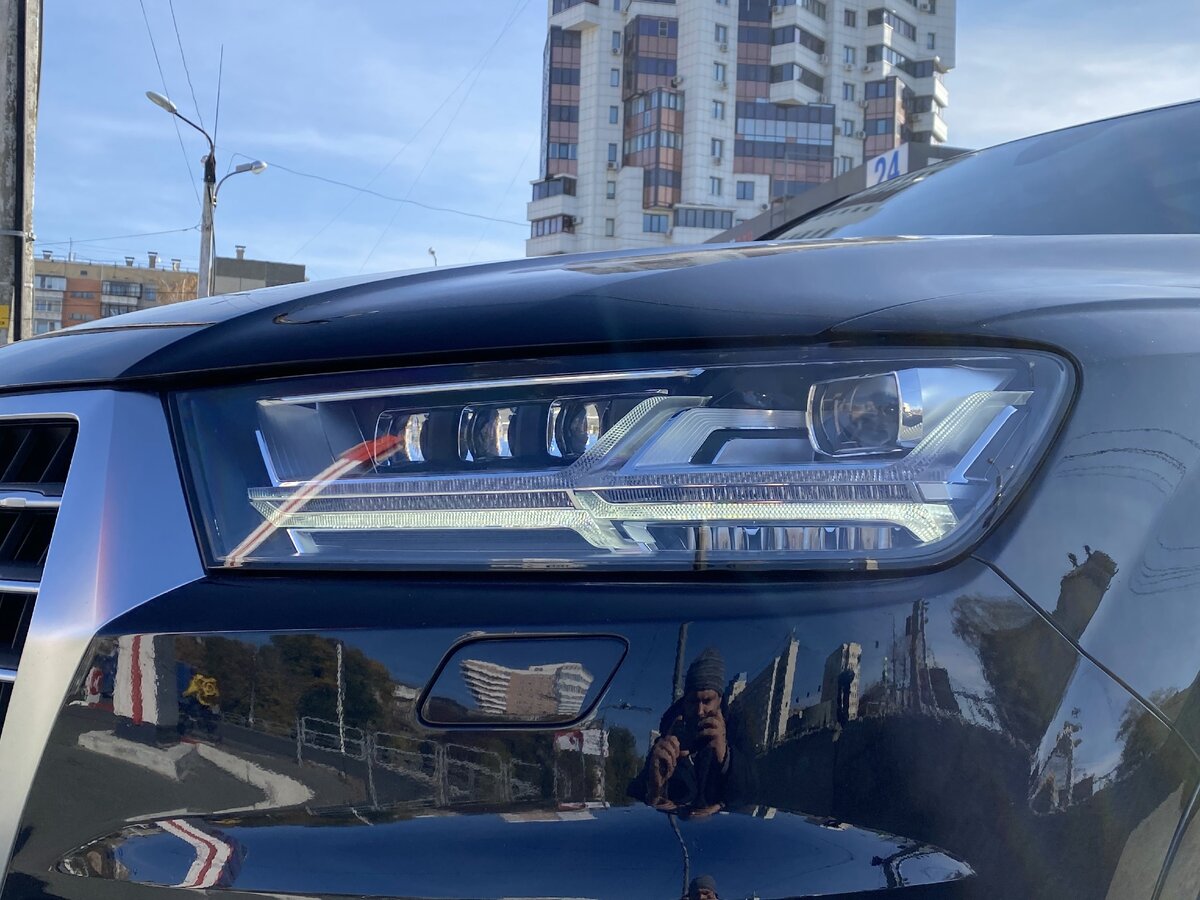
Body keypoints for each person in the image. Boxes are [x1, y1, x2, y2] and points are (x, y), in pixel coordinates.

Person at [630, 647, 752, 814]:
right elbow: (633, 802)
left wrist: (725, 757)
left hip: (724, 827)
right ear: (684, 702)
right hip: (673, 827)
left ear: (719, 700)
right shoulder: (667, 738)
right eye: (693, 701)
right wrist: (655, 785)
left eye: (707, 701)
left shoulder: (736, 736)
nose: (699, 711)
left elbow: (753, 794)